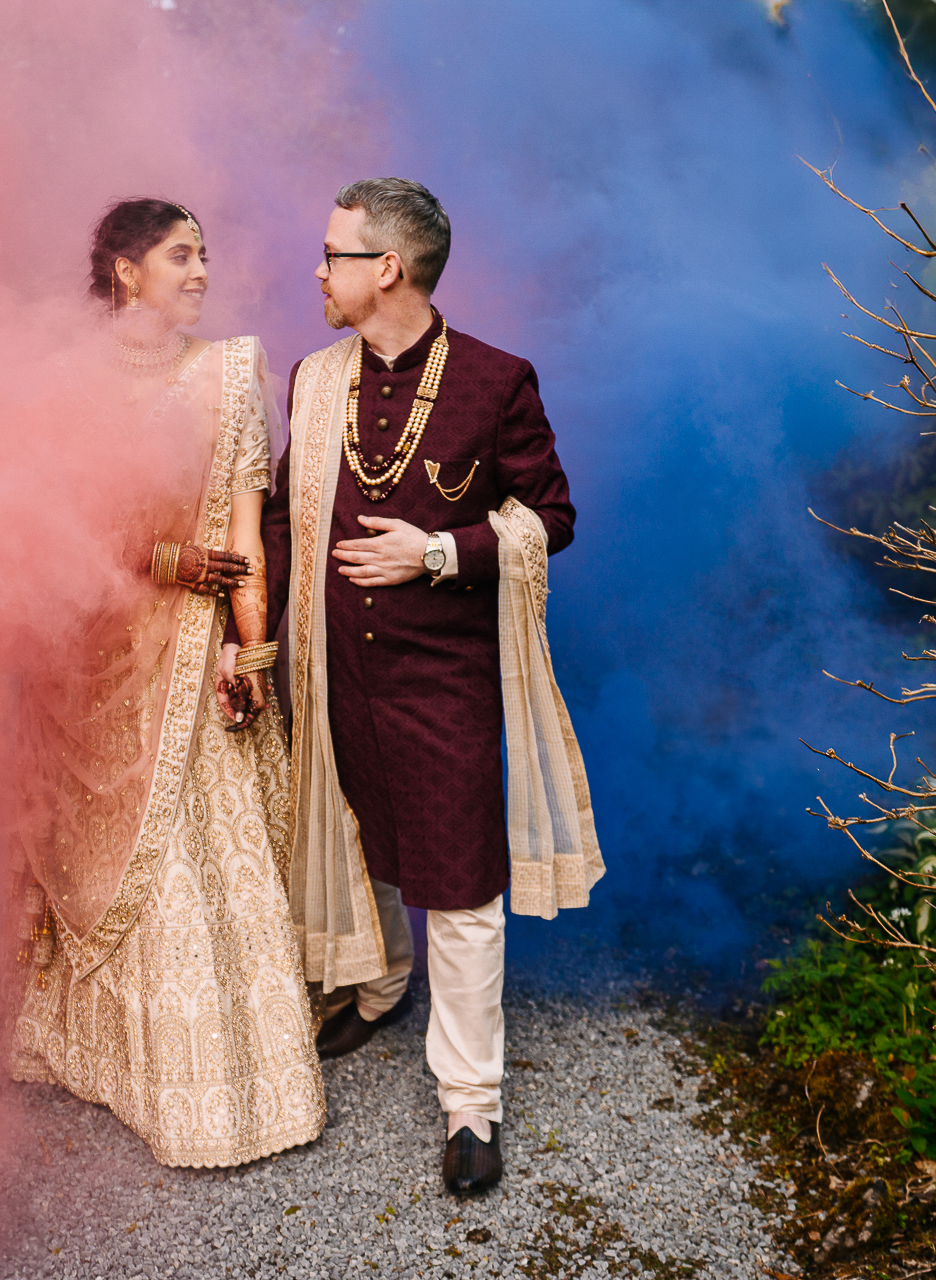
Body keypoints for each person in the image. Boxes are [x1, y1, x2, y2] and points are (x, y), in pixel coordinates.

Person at [265, 178, 603, 1193]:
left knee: (458, 883)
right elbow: (287, 512)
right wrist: (235, 614)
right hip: (331, 669)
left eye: (332, 253)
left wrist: (441, 554)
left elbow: (553, 516)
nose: (317, 271)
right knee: (354, 835)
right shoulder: (314, 378)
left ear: (387, 269)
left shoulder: (497, 381)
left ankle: (471, 1102)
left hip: (443, 677)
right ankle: (378, 985)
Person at [7, 199, 324, 1167]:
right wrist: (159, 555)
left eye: (205, 256)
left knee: (201, 847)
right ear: (123, 273)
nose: (200, 272)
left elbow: (243, 531)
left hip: (193, 652)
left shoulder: (231, 370)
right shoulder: (62, 385)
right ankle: (91, 1054)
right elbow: (37, 520)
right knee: (95, 846)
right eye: (180, 256)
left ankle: (224, 1095)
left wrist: (251, 649)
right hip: (92, 649)